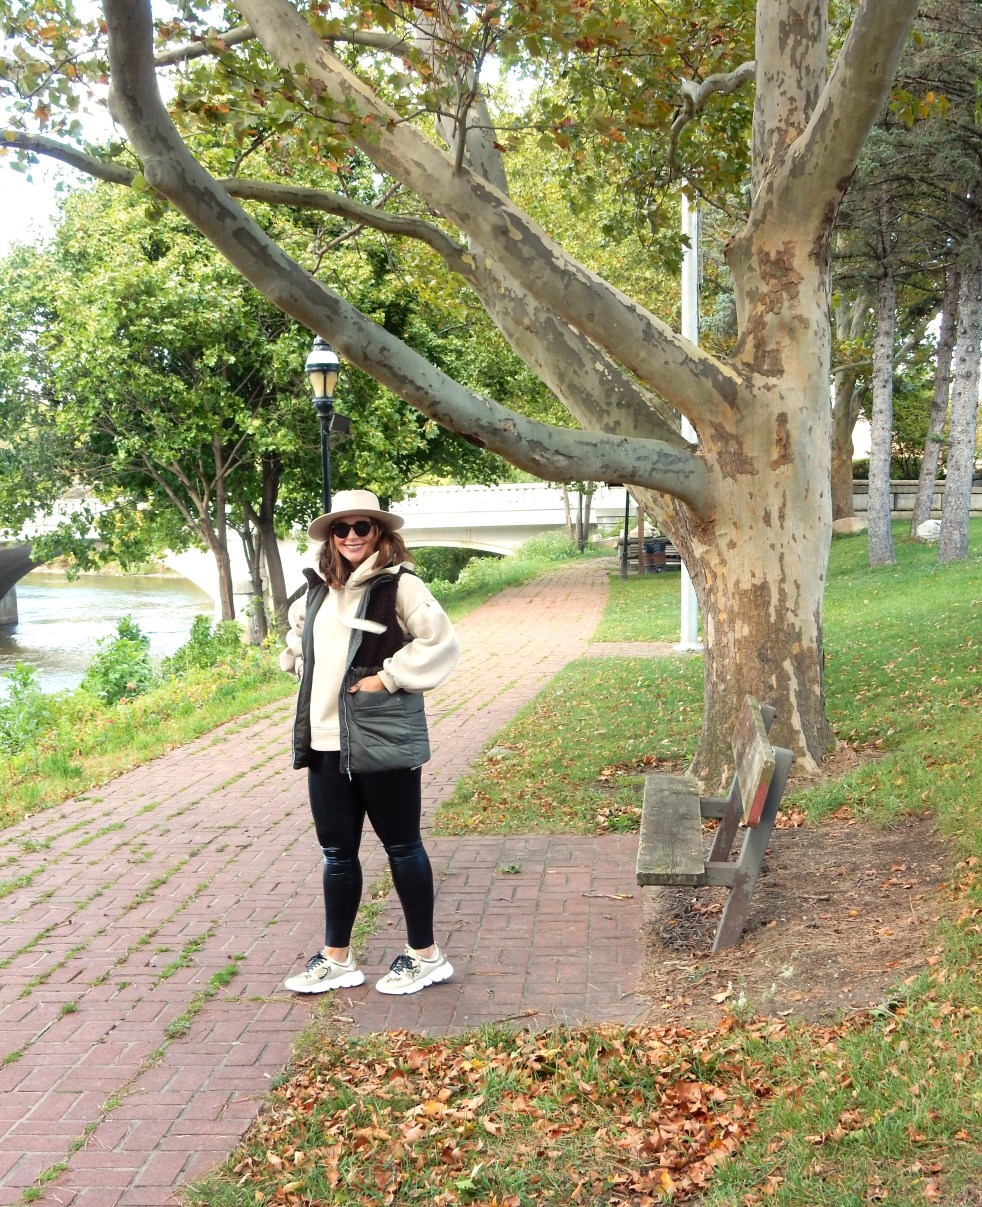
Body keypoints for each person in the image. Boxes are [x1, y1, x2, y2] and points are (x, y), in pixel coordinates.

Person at [279, 489, 460, 996]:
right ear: (331, 537)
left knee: (402, 846)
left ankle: (426, 956)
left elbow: (440, 642)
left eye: (363, 527)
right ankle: (337, 959)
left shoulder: (400, 585)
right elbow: (298, 638)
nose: (352, 536)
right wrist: (297, 662)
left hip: (381, 737)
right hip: (324, 741)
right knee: (337, 854)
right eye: (342, 528)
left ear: (379, 533)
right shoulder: (318, 590)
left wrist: (388, 677)